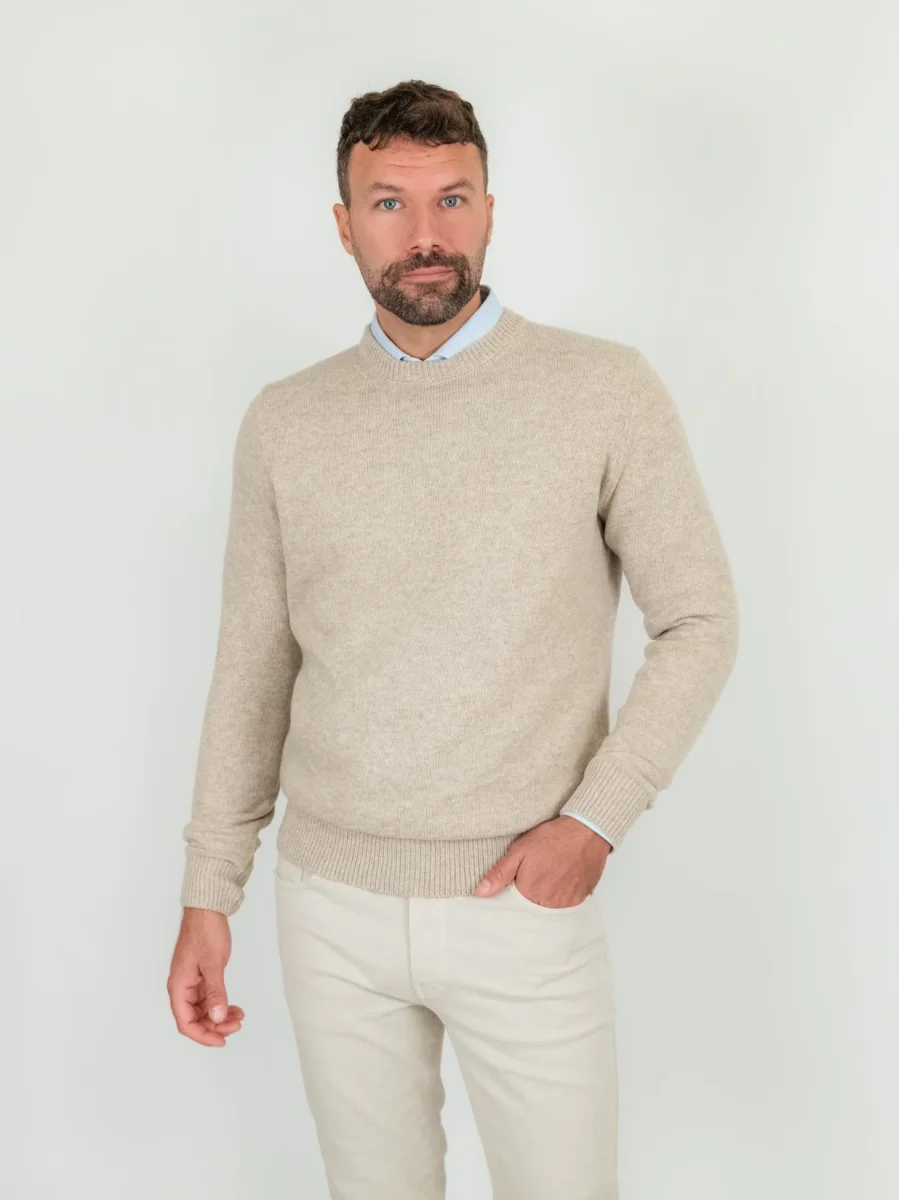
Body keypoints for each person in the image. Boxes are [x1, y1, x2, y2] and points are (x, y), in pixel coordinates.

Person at [167, 78, 740, 1200]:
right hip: (329, 907)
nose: (424, 234)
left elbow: (699, 617)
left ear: (489, 209)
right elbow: (252, 668)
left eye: (452, 198)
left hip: (520, 903)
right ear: (344, 226)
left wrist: (594, 821)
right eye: (389, 203)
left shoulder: (602, 391)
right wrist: (207, 890)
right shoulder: (286, 420)